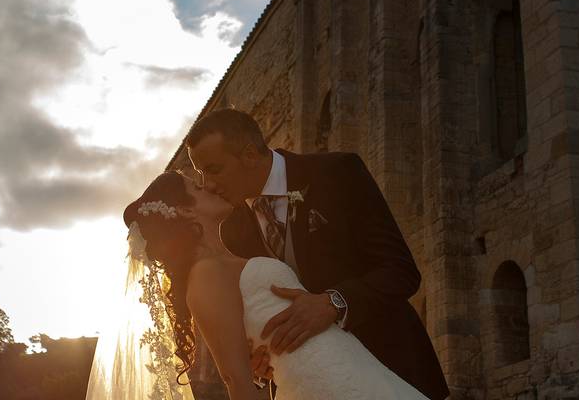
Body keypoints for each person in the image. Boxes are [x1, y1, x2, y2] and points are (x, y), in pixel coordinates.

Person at [185, 108, 449, 400]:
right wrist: (261, 366)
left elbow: (401, 271)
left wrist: (334, 302)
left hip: (392, 369)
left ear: (248, 155)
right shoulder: (233, 230)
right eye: (200, 173)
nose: (207, 184)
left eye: (213, 169)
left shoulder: (337, 173)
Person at [110, 170, 430, 400]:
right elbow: (236, 378)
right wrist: (261, 375)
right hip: (322, 382)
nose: (208, 185)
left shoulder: (233, 256)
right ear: (184, 209)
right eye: (197, 186)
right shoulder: (205, 274)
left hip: (350, 363)